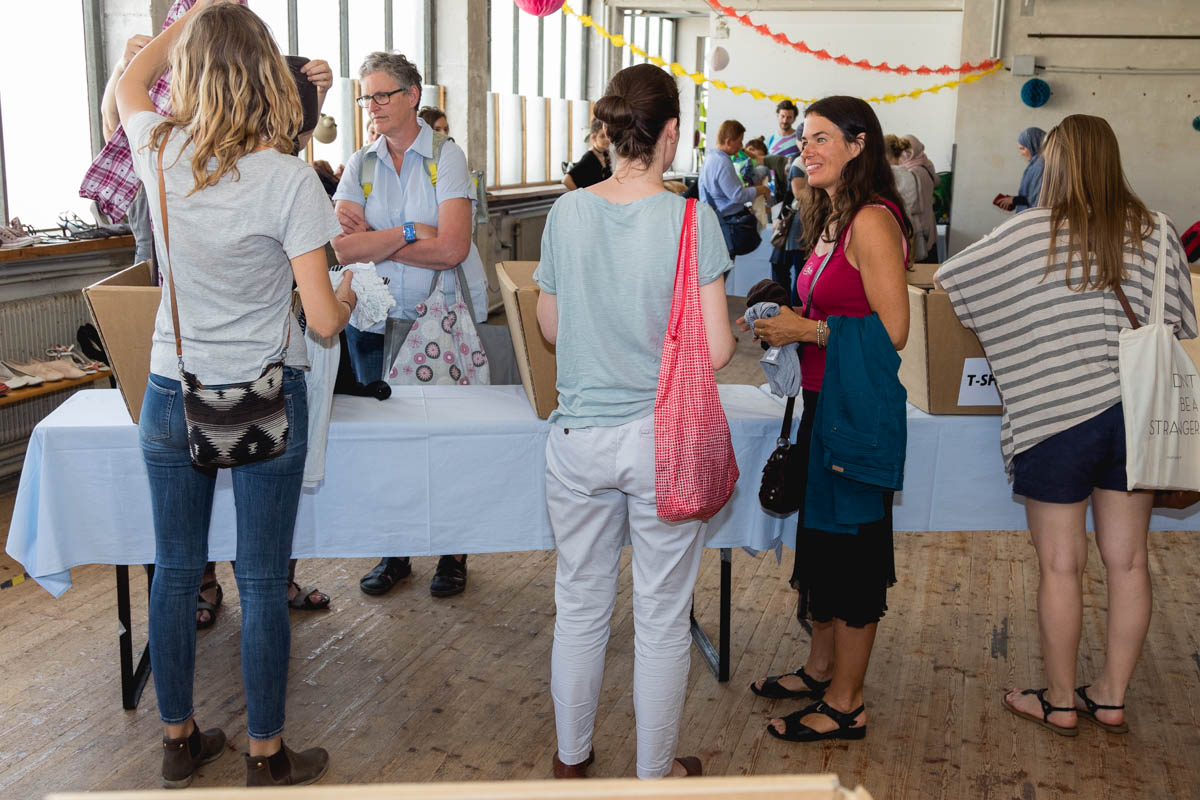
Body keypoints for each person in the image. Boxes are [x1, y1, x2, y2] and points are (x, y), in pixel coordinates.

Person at [116, 1, 355, 786]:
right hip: (263, 394)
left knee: (176, 569)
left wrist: (193, 20)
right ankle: (265, 752)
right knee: (259, 577)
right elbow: (322, 321)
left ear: (189, 73)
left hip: (167, 388)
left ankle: (180, 739)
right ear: (264, 75)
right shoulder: (288, 179)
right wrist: (347, 297)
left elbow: (128, 79)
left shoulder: (157, 151)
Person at [936, 114, 1197, 737]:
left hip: (1055, 418)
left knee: (1060, 565)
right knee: (1129, 563)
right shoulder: (1159, 232)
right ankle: (1109, 696)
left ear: (1052, 163)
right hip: (1138, 418)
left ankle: (1057, 700)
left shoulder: (1026, 233)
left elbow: (951, 284)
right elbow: (1183, 326)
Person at [535, 62, 736, 780]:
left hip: (579, 439)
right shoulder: (692, 219)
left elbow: (551, 327)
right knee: (659, 616)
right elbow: (715, 348)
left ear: (611, 131)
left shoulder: (568, 211)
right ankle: (655, 778)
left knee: (580, 604)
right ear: (671, 132)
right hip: (661, 441)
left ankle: (571, 761)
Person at [744, 96, 911, 744]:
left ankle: (847, 704)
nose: (805, 149)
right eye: (804, 138)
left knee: (852, 559)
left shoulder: (871, 220)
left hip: (855, 415)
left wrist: (807, 329)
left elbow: (893, 330)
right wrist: (780, 318)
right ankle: (820, 670)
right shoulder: (832, 217)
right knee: (819, 550)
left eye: (820, 138)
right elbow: (831, 308)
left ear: (858, 143)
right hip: (824, 405)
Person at [332, 51, 486, 598]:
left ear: (412, 94)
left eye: (380, 95)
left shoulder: (446, 156)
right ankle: (394, 552)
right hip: (372, 320)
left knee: (445, 441)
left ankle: (452, 552)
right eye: (364, 97)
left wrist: (378, 237)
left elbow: (451, 248)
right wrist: (406, 230)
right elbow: (340, 247)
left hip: (434, 319)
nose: (370, 106)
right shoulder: (360, 163)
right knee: (386, 445)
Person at [699, 119, 771, 258]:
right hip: (726, 223)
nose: (741, 146)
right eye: (739, 141)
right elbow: (737, 195)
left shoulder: (710, 158)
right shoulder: (723, 161)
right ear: (728, 141)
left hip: (714, 221)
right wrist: (760, 189)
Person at [769, 160, 808, 306]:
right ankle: (790, 308)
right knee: (793, 268)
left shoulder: (798, 163)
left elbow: (795, 194)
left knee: (795, 269)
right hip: (800, 222)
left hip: (798, 224)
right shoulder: (798, 162)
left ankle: (790, 308)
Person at [884, 134, 925, 261]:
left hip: (889, 229)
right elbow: (916, 207)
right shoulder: (911, 175)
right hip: (908, 228)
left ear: (884, 154)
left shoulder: (885, 176)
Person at [897, 134, 938, 262]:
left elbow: (912, 205)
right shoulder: (927, 166)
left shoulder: (912, 173)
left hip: (918, 228)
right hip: (929, 223)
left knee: (919, 269)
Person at [995, 127, 1045, 213]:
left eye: (1023, 148)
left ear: (1033, 145)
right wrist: (1013, 200)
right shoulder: (1036, 164)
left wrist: (1014, 200)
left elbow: (1040, 199)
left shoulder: (1041, 166)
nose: (1022, 153)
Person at [562, 119, 612, 191]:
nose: (607, 139)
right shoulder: (589, 158)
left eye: (608, 135)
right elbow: (566, 180)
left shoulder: (606, 155)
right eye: (602, 136)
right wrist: (581, 196)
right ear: (594, 137)